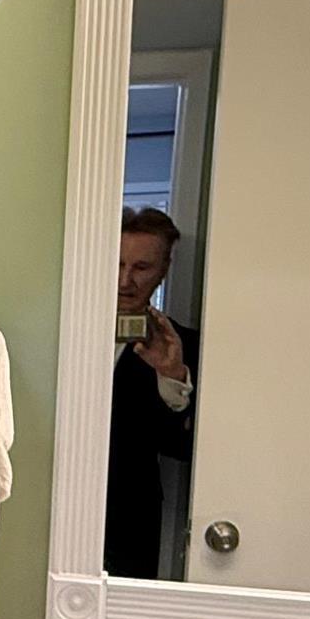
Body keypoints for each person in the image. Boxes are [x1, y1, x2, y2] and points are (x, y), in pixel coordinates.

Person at [106, 207, 200, 577]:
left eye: (141, 268)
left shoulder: (181, 345)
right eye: (117, 264)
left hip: (130, 522)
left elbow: (183, 450)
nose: (125, 280)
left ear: (164, 269)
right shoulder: (60, 327)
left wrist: (172, 376)